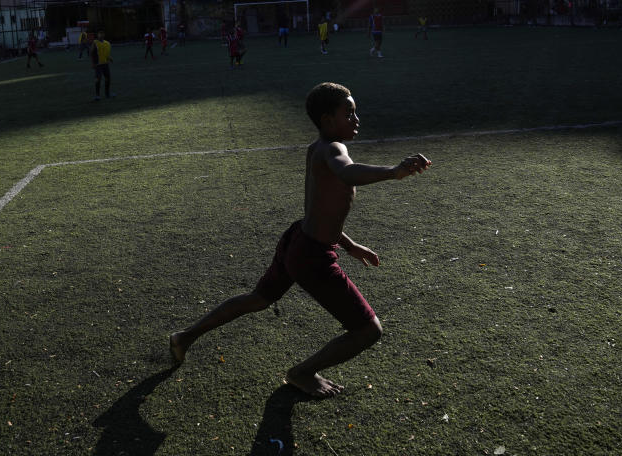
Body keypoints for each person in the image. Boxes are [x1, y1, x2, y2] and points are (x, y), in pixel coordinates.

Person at [169, 82, 430, 398]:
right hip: (312, 258)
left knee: (258, 299)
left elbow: (320, 210)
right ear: (326, 120)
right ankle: (302, 373)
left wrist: (349, 245)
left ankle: (184, 337)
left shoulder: (317, 148)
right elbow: (347, 173)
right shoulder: (334, 150)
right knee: (368, 330)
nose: (356, 119)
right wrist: (393, 171)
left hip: (298, 240)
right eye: (349, 113)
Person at [91, 30, 114, 99]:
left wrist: (109, 58)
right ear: (97, 35)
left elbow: (106, 53)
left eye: (102, 34)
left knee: (108, 79)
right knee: (98, 79)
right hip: (98, 64)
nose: (101, 35)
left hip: (105, 64)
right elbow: (91, 53)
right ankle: (97, 95)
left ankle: (107, 94)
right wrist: (93, 63)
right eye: (100, 34)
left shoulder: (107, 43)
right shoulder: (95, 42)